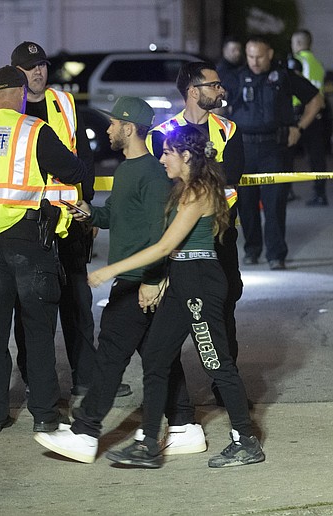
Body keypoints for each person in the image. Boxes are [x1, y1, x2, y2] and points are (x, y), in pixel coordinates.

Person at [92, 125, 265, 469]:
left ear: (186, 156)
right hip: (182, 279)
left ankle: (246, 440)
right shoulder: (181, 189)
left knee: (215, 362)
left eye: (167, 152)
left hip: (200, 283)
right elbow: (170, 249)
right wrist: (162, 281)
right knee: (155, 358)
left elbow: (165, 245)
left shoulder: (199, 191)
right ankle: (148, 444)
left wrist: (110, 270)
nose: (161, 158)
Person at [34, 97, 179, 463]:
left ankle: (86, 431)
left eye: (114, 124)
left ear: (129, 129)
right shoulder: (128, 169)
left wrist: (152, 279)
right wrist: (88, 213)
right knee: (158, 360)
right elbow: (114, 214)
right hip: (131, 279)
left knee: (111, 355)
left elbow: (159, 235)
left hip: (137, 280)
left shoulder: (150, 173)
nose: (109, 129)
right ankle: (185, 423)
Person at [0, 66, 86, 433]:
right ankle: (44, 413)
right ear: (22, 93)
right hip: (28, 243)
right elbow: (72, 170)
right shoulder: (33, 130)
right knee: (38, 332)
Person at [10, 41, 131, 399]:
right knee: (31, 307)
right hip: (28, 222)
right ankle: (36, 379)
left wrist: (89, 205)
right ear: (15, 71)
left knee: (78, 303)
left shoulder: (63, 103)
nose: (38, 72)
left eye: (42, 65)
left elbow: (84, 156)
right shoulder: (5, 110)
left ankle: (86, 377)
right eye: (30, 67)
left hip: (69, 217)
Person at [147, 62, 246, 406]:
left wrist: (190, 171)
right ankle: (176, 400)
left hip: (220, 235)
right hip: (181, 240)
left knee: (225, 308)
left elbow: (233, 172)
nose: (221, 90)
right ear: (193, 90)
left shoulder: (228, 129)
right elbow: (164, 182)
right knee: (173, 317)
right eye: (214, 85)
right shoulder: (163, 132)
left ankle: (225, 387)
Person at [222, 36, 324, 270]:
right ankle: (252, 249)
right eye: (250, 56)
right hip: (244, 148)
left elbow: (316, 100)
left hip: (274, 149)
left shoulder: (283, 77)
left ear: (269, 54)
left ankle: (276, 254)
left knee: (275, 203)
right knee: (246, 204)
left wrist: (299, 127)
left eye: (259, 56)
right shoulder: (236, 78)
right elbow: (219, 104)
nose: (254, 61)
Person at [291, 29, 328, 207]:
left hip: (300, 113)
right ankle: (320, 193)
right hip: (318, 114)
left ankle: (286, 191)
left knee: (286, 153)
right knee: (316, 156)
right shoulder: (318, 64)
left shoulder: (297, 62)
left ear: (298, 43)